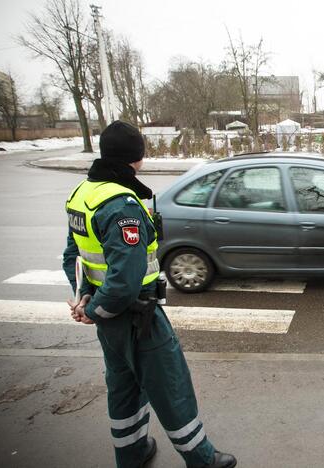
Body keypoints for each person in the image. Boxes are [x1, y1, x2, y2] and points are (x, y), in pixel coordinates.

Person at [63, 121, 236, 468]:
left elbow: (75, 257)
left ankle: (131, 453)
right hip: (136, 316)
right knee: (171, 385)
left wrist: (84, 299)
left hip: (111, 322)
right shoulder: (120, 204)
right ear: (136, 157)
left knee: (124, 386)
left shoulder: (83, 194)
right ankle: (202, 459)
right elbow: (125, 281)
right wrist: (95, 309)